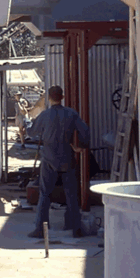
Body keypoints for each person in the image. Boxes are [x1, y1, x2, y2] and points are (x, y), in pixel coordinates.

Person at [27, 85, 89, 239]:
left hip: (49, 158)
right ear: (62, 97)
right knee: (71, 195)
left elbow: (31, 132)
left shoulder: (45, 115)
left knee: (45, 194)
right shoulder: (71, 114)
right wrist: (79, 146)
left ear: (49, 98)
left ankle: (40, 229)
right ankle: (76, 228)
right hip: (67, 157)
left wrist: (26, 123)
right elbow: (85, 131)